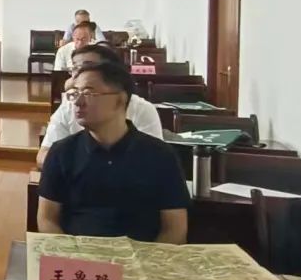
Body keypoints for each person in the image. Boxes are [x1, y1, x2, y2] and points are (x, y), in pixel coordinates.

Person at [37, 62, 189, 243]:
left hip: (143, 255)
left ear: (120, 100)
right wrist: (68, 254)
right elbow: (47, 219)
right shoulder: (61, 152)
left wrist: (151, 260)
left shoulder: (161, 155)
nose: (78, 102)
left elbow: (174, 228)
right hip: (78, 255)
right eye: (75, 93)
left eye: (88, 93)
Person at [37, 45, 163, 167]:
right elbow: (43, 156)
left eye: (88, 66)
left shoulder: (142, 109)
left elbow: (153, 160)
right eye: (75, 68)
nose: (79, 74)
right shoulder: (69, 105)